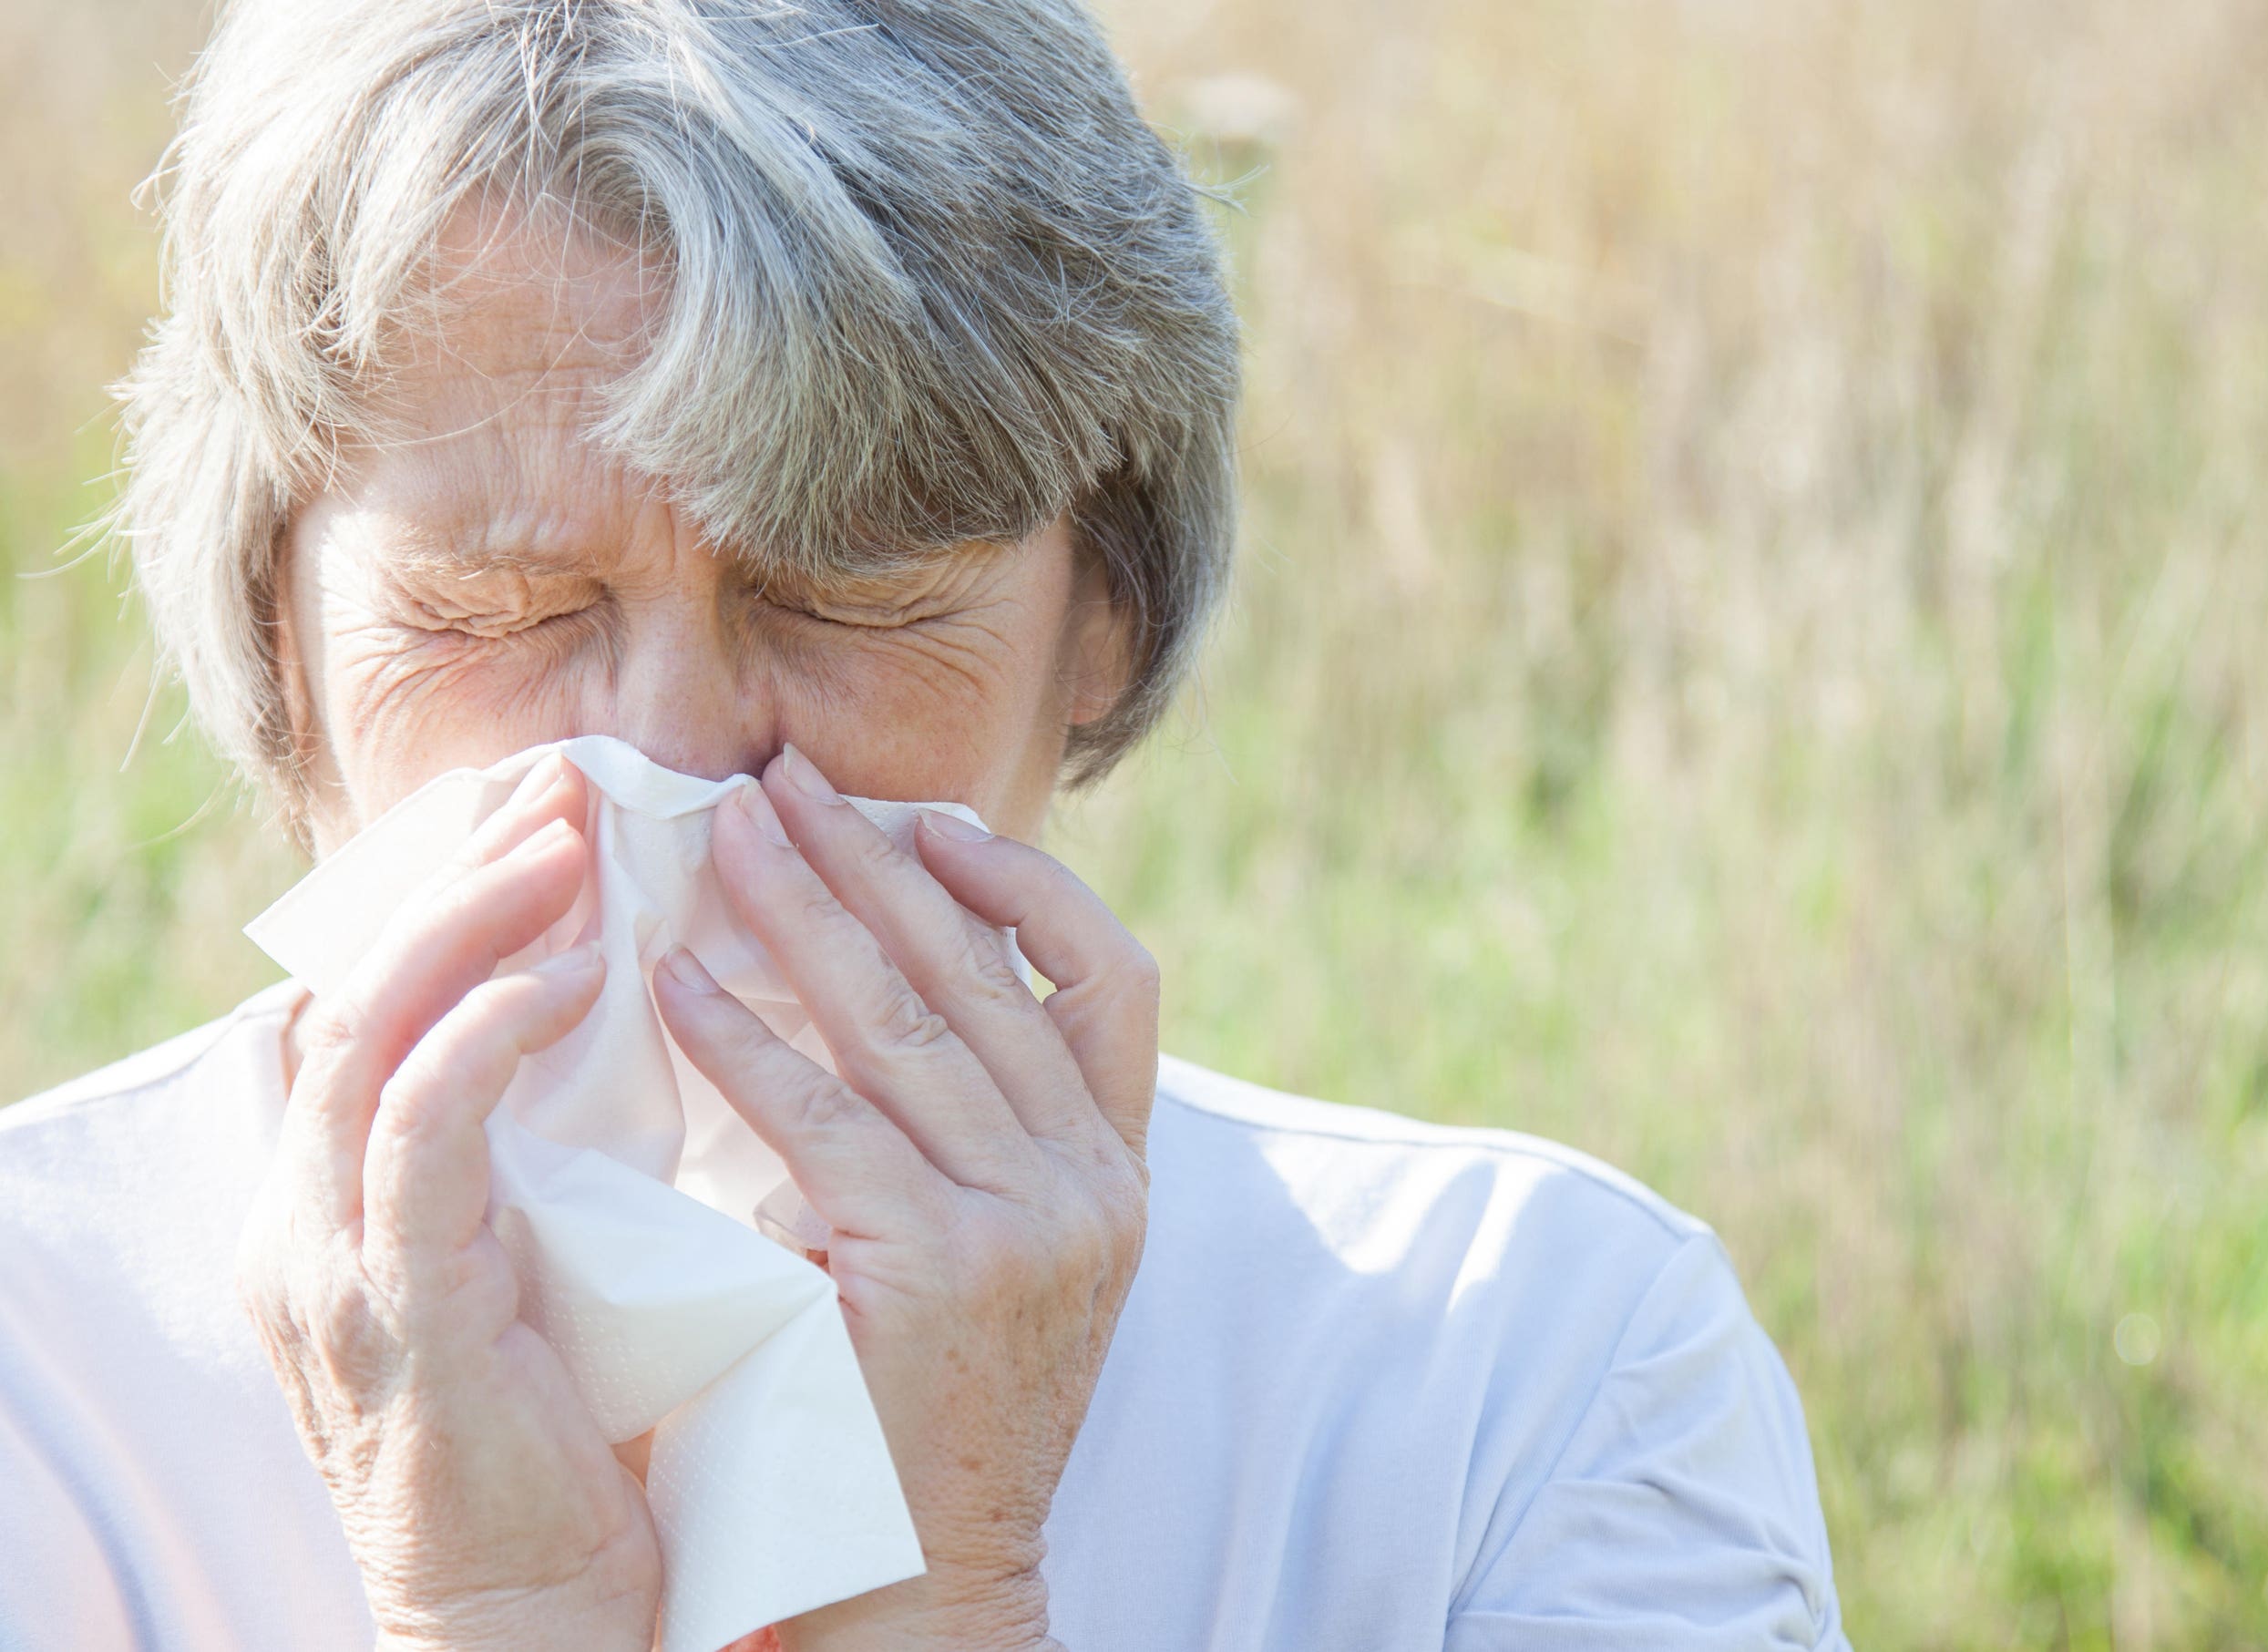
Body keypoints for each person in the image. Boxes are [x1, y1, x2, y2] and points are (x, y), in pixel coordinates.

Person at [0, 2, 1848, 1647]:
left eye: (848, 591)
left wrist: (944, 1600)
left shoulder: (1520, 1375)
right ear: (279, 641)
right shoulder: (41, 1372)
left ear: (1096, 625)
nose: (677, 756)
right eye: (505, 609)